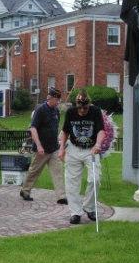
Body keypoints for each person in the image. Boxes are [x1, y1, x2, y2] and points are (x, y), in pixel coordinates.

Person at [59, 89, 105, 225]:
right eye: (80, 108)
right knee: (71, 182)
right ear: (76, 105)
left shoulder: (95, 111)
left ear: (88, 105)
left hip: (90, 149)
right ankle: (75, 213)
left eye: (85, 108)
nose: (83, 111)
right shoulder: (71, 112)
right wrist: (61, 149)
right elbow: (65, 131)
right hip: (73, 149)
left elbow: (101, 130)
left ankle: (89, 207)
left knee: (95, 178)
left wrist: (98, 144)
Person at [20, 87, 67, 205]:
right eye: (57, 100)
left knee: (58, 171)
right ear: (50, 98)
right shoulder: (40, 110)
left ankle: (61, 196)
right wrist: (39, 146)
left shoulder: (56, 111)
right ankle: (25, 191)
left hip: (54, 148)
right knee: (34, 171)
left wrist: (59, 140)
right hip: (42, 149)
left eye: (59, 100)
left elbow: (55, 128)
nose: (58, 102)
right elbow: (33, 128)